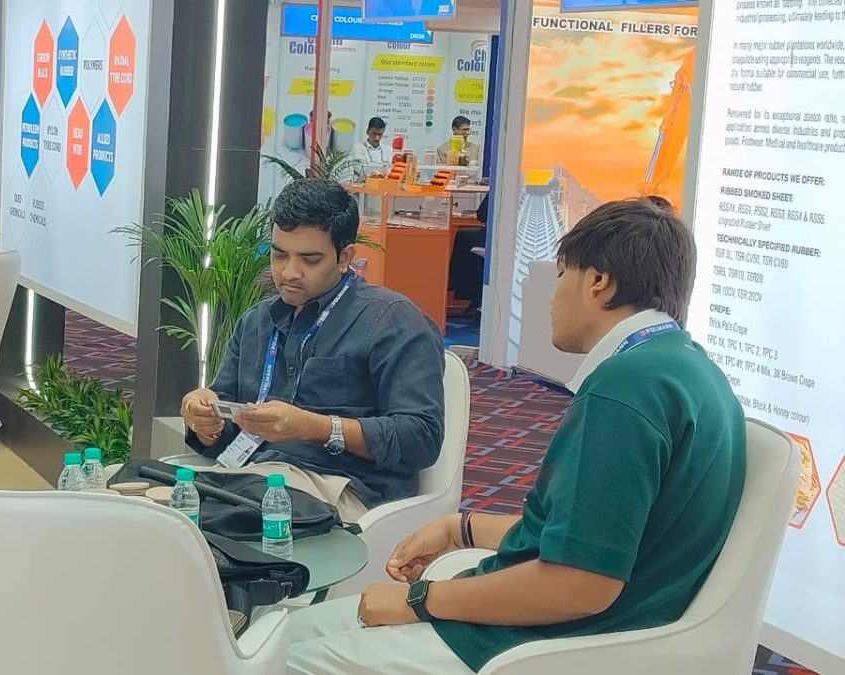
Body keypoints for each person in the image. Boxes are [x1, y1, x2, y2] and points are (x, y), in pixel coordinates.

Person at [285, 198, 746, 674]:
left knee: (282, 658)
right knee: (293, 633)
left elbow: (580, 584)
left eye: (561, 274)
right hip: (585, 626)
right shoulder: (689, 370)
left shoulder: (624, 390)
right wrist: (461, 527)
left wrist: (418, 600)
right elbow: (593, 536)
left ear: (598, 282)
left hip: (539, 644)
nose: (551, 296)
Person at [180, 179, 445, 522]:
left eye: (310, 259)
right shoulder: (258, 321)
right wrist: (205, 422)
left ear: (344, 257)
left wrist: (314, 427)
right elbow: (226, 430)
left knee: (203, 527)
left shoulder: (392, 321)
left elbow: (420, 438)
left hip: (342, 488)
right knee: (152, 503)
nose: (289, 272)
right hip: (252, 476)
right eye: (279, 255)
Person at [448, 194, 489, 315]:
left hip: (496, 237)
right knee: (465, 236)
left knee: (463, 237)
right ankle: (474, 297)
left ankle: (461, 289)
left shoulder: (500, 190)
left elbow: (482, 215)